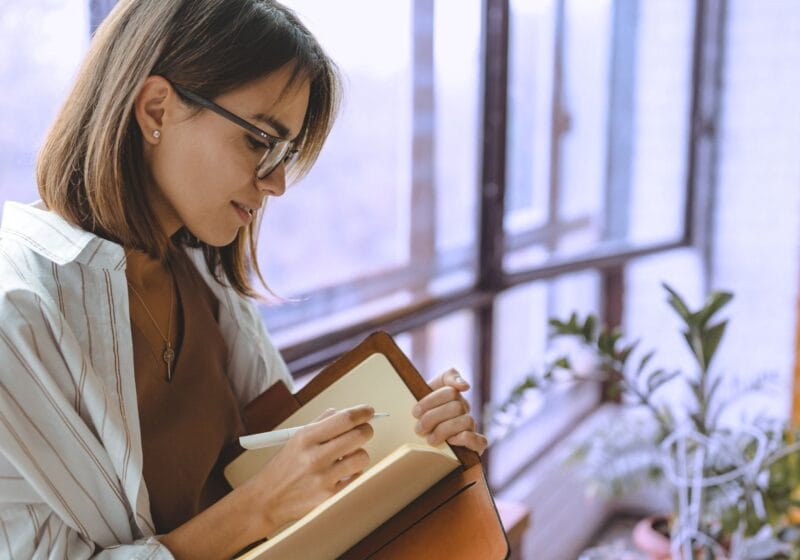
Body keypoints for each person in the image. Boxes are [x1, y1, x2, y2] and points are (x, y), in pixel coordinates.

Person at [0, 0, 488, 558]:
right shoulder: (18, 308)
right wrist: (258, 508)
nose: (278, 182)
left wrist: (415, 434)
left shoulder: (202, 275)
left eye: (286, 152)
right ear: (156, 109)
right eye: (259, 141)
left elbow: (282, 457)